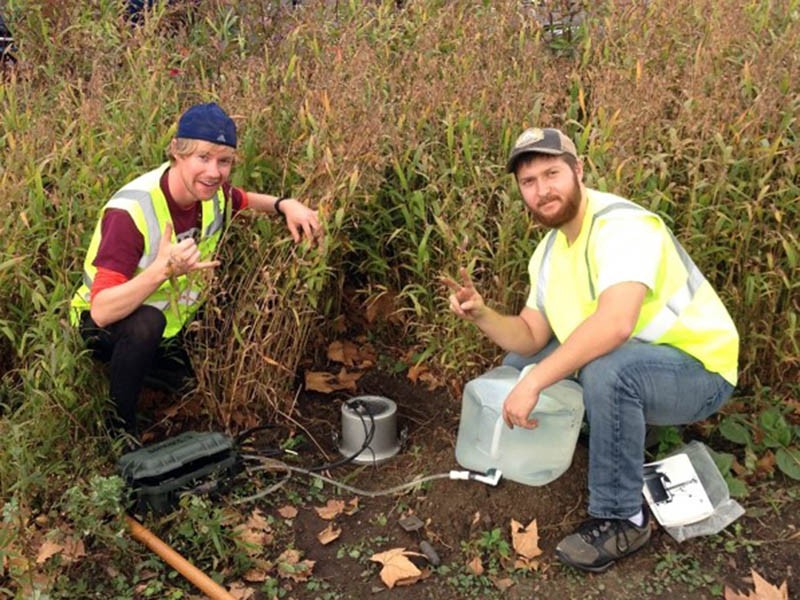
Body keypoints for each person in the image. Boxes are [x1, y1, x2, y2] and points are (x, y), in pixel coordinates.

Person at [445, 127, 738, 572]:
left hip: (698, 371)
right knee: (520, 364)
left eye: (552, 173)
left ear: (578, 171)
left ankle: (623, 517)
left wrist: (536, 384)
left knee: (607, 372)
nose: (542, 190)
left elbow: (616, 324)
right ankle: (593, 436)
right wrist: (482, 313)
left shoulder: (620, 225)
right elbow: (530, 335)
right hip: (638, 362)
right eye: (529, 182)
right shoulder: (547, 252)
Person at [71, 102, 321, 441]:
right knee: (147, 324)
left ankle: (158, 367)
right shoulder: (131, 212)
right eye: (202, 157)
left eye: (224, 161)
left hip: (175, 321)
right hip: (106, 324)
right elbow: (101, 311)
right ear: (177, 152)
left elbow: (244, 199)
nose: (214, 172)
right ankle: (119, 432)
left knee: (188, 375)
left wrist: (284, 204)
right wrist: (161, 271)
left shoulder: (211, 194)